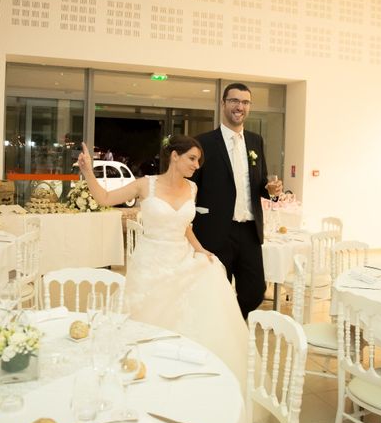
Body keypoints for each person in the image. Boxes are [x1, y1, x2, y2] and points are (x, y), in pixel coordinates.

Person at [77, 135, 249, 389]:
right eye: (192, 158)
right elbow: (104, 199)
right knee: (146, 325)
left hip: (182, 261)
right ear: (175, 156)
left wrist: (201, 250)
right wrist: (88, 171)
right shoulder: (145, 185)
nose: (196, 165)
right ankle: (142, 380)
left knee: (194, 312)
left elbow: (184, 226)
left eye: (199, 160)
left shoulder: (192, 188)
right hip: (150, 265)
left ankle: (182, 381)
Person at [191, 83, 282, 318]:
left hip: (249, 232)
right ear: (223, 104)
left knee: (254, 291)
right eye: (234, 101)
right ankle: (219, 335)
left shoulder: (255, 141)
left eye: (245, 102)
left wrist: (270, 189)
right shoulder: (204, 142)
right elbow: (192, 185)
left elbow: (259, 182)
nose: (239, 106)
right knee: (215, 291)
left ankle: (234, 322)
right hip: (215, 231)